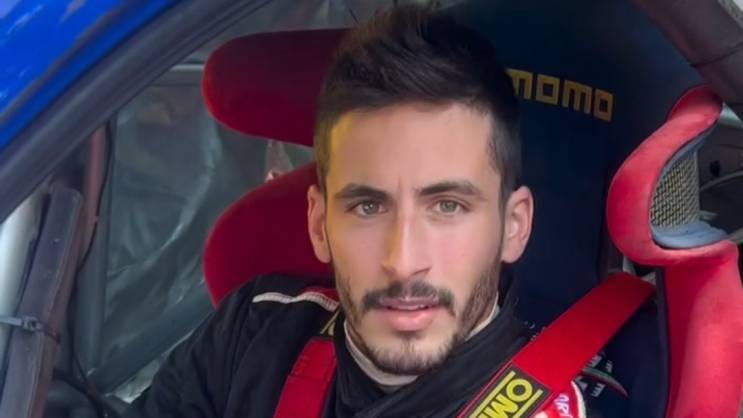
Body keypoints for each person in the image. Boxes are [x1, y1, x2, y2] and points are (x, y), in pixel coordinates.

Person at [125, 5, 638, 418]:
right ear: (318, 224)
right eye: (368, 206)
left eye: (448, 206)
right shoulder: (253, 333)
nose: (403, 261)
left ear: (514, 226)